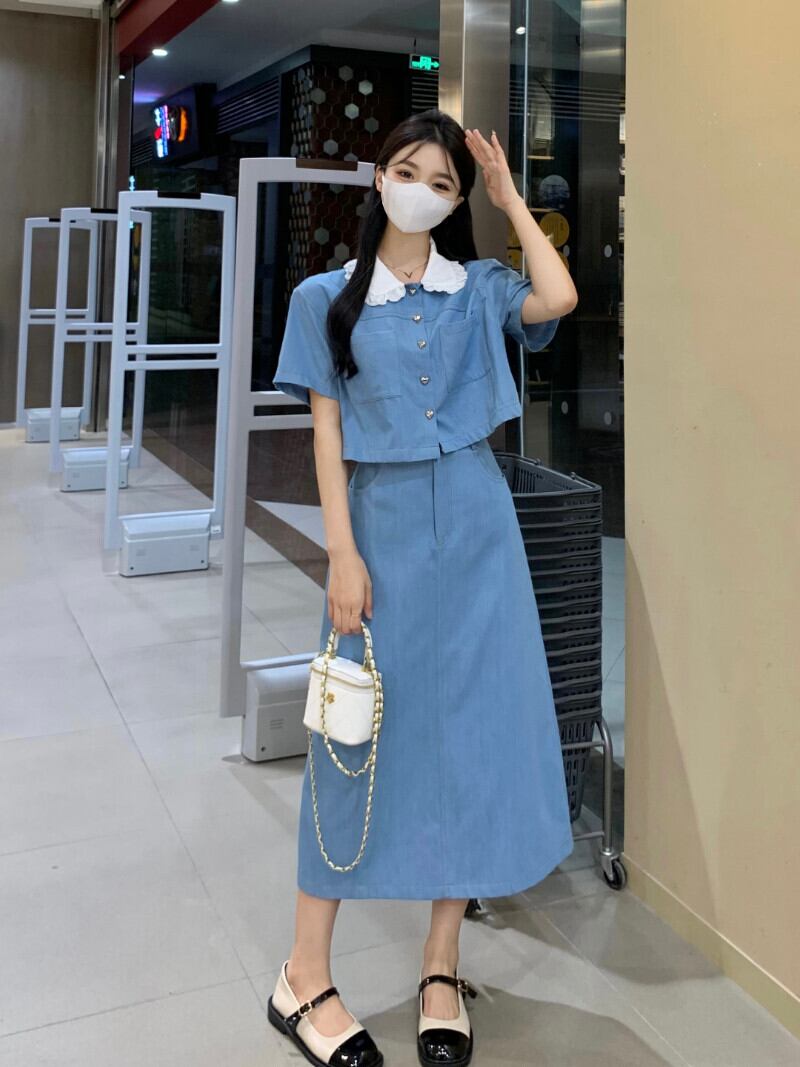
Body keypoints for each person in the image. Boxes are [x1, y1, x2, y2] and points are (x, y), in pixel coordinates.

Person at [267, 109, 579, 1067]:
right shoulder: (326, 297)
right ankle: (302, 975)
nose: (421, 191)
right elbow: (326, 433)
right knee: (353, 739)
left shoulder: (477, 288)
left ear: (453, 202)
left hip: (481, 532)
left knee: (471, 742)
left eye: (441, 183)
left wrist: (509, 199)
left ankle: (442, 964)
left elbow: (560, 295)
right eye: (407, 171)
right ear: (379, 178)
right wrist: (341, 553)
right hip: (383, 534)